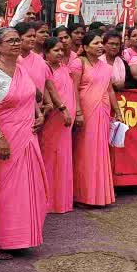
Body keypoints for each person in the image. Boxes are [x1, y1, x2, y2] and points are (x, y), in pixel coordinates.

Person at [0, 28, 49, 256]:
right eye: (10, 41)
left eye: (17, 40)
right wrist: (0, 138)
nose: (16, 44)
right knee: (4, 190)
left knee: (28, 187)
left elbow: (31, 96)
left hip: (27, 135)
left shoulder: (21, 70)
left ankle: (22, 237)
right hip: (4, 137)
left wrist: (38, 114)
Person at [74, 30, 123, 206]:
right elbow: (74, 89)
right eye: (95, 43)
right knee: (85, 152)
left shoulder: (106, 67)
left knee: (101, 151)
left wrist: (117, 111)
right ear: (85, 47)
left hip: (103, 110)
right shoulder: (79, 63)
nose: (100, 46)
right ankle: (83, 195)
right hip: (86, 111)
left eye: (101, 43)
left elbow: (109, 89)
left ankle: (100, 196)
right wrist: (78, 112)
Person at [41, 36, 78, 214]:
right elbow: (47, 93)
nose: (60, 53)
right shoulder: (45, 69)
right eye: (55, 50)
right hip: (54, 118)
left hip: (66, 120)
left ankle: (62, 201)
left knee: (63, 157)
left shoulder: (65, 68)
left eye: (61, 50)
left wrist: (75, 111)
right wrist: (62, 110)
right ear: (46, 53)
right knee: (49, 156)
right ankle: (47, 201)